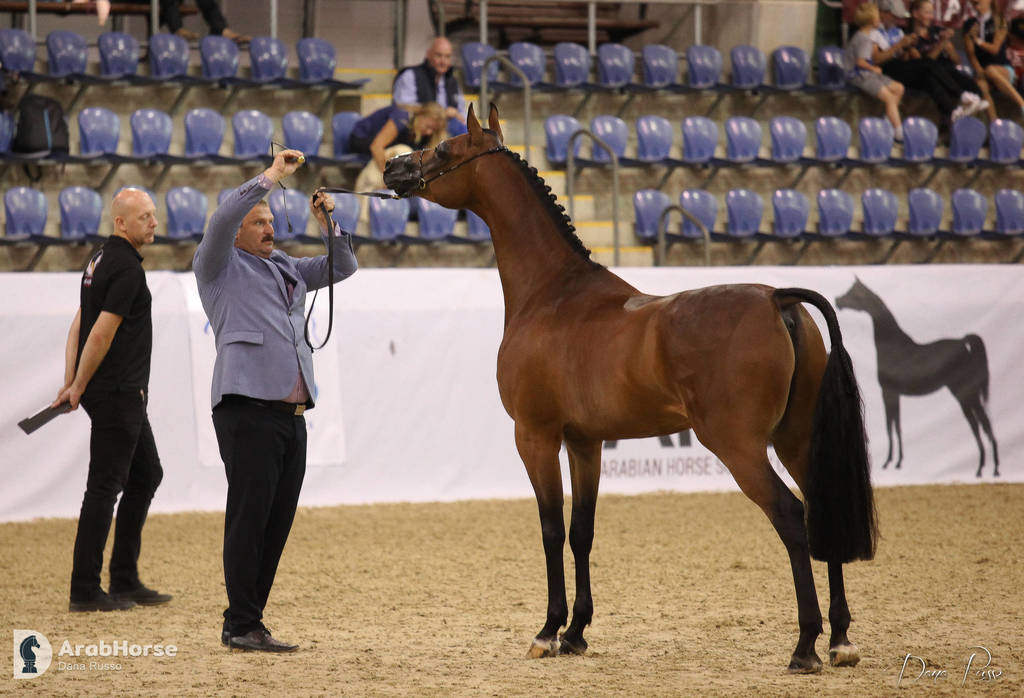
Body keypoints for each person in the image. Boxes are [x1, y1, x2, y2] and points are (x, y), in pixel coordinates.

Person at [192, 149, 357, 653]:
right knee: (249, 516)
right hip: (247, 409)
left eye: (269, 220)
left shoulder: (285, 266)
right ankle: (241, 621)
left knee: (276, 521)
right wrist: (270, 179)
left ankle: (248, 619)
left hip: (291, 415)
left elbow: (343, 267)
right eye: (258, 221)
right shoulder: (217, 267)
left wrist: (328, 223)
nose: (268, 228)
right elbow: (222, 217)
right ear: (239, 230)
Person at [54, 188, 172, 613]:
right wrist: (78, 384)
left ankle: (123, 578)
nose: (153, 222)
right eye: (144, 217)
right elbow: (99, 332)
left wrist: (73, 381)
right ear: (120, 222)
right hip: (119, 393)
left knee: (146, 475)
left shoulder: (99, 259)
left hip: (118, 394)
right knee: (104, 488)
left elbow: (79, 323)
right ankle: (84, 589)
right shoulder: (126, 269)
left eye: (153, 215)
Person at [348, 102, 445, 219]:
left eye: (433, 130)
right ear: (421, 116)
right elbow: (376, 147)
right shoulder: (401, 118)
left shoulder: (423, 134)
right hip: (363, 140)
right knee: (404, 151)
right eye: (428, 127)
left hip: (391, 148)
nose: (429, 132)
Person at [907, 0, 990, 121]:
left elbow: (957, 61)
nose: (930, 16)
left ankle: (972, 105)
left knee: (975, 87)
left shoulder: (937, 31)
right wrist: (941, 44)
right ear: (915, 13)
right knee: (938, 76)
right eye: (927, 12)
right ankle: (960, 104)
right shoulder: (909, 36)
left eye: (932, 13)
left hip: (948, 71)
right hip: (929, 76)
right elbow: (923, 64)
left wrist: (950, 49)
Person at [845, 2, 909, 141]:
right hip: (859, 75)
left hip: (869, 74)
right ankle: (898, 132)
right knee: (890, 98)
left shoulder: (867, 37)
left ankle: (888, 120)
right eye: (878, 16)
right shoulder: (863, 39)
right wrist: (873, 68)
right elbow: (860, 62)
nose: (880, 19)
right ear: (872, 20)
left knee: (899, 88)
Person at [393, 37, 468, 136]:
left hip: (447, 129)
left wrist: (456, 114)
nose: (443, 61)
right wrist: (441, 113)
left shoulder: (452, 81)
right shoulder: (410, 75)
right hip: (418, 131)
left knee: (466, 132)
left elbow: (461, 113)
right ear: (428, 54)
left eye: (447, 57)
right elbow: (403, 108)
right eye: (439, 55)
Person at [963, 0, 1024, 120]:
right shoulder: (969, 24)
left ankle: (1022, 104)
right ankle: (995, 126)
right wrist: (979, 70)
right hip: (983, 70)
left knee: (991, 70)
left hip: (1002, 69)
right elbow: (970, 53)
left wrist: (977, 40)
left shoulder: (999, 20)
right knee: (981, 85)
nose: (977, 5)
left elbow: (995, 49)